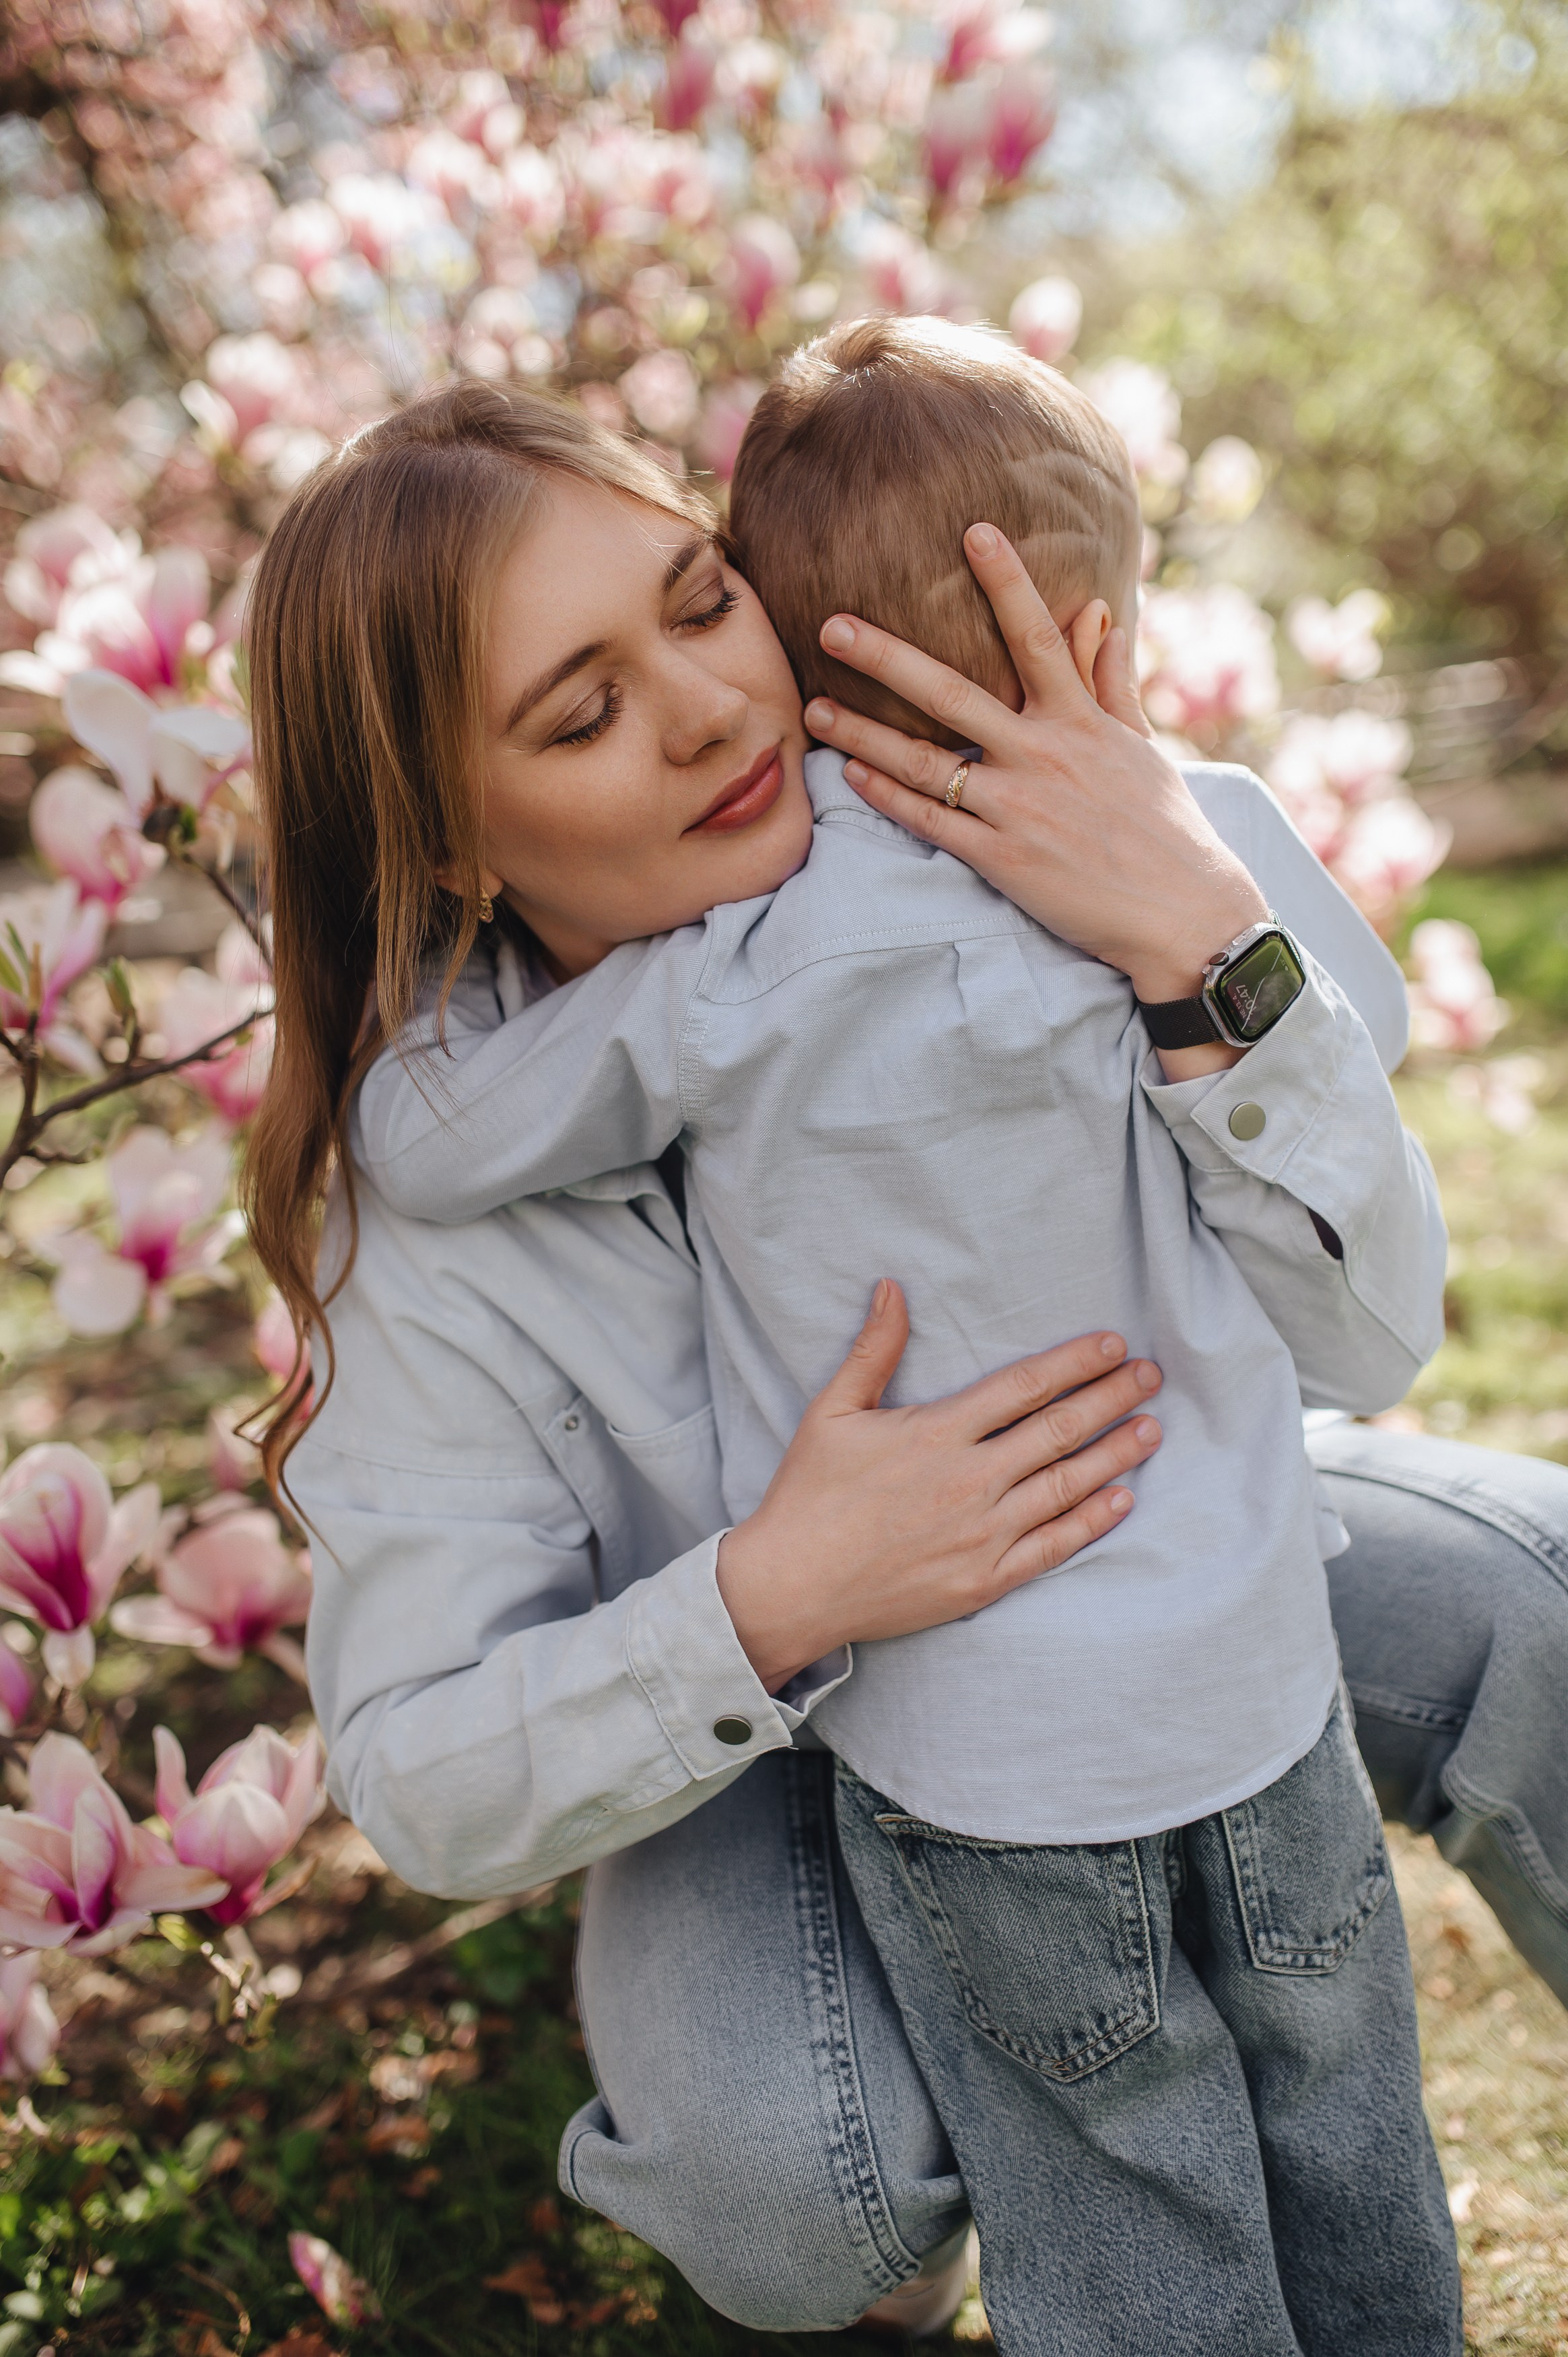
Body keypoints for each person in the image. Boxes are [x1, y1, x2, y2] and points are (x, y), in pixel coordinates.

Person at [239, 375, 1568, 2347]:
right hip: (760, 1715)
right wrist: (776, 1594)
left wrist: (1197, 943)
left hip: (1143, 1508)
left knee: (1544, 1603)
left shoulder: (1093, 841)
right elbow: (420, 1778)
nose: (710, 711)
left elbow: (1364, 1331)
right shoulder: (439, 1180)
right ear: (446, 844)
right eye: (579, 715)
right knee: (789, 2180)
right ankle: (921, 2160)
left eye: (703, 603)